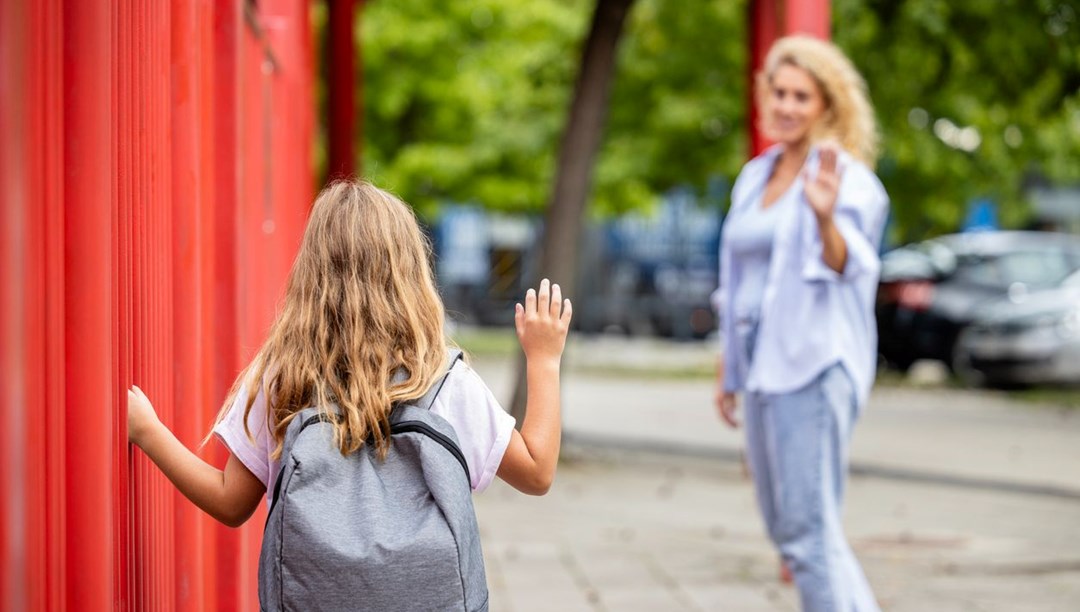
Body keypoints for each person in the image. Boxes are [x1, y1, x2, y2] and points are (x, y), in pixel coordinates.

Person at [127, 180, 571, 593]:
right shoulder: (441, 378)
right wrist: (544, 359)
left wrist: (148, 432)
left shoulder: (284, 374)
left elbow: (230, 502)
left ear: (310, 271)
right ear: (409, 272)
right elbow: (536, 472)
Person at [713, 35, 888, 612]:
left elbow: (851, 266)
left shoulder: (846, 179)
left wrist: (823, 216)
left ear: (827, 105)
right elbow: (737, 282)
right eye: (779, 92)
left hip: (813, 365)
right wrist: (728, 368)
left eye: (801, 96)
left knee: (809, 536)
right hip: (762, 367)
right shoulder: (756, 176)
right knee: (794, 534)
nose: (786, 106)